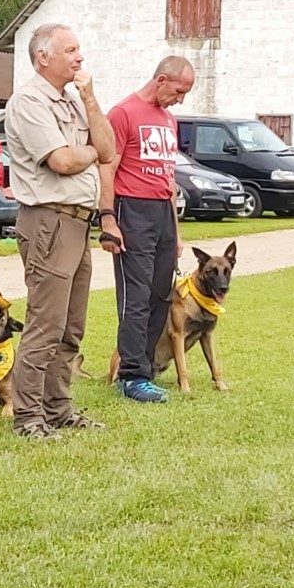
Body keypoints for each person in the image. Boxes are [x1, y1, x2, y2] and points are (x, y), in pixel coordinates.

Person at [4, 24, 115, 441]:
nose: (79, 57)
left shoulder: (72, 99)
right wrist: (88, 153)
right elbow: (64, 161)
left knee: (72, 325)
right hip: (47, 220)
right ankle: (28, 417)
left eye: (79, 49)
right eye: (71, 50)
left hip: (76, 222)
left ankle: (59, 407)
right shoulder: (29, 101)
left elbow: (108, 149)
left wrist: (89, 97)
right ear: (43, 57)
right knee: (45, 323)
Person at [98, 56, 195, 403]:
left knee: (160, 295)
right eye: (180, 91)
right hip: (132, 209)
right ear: (162, 79)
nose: (181, 99)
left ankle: (147, 368)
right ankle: (131, 376)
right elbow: (108, 167)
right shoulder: (123, 113)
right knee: (135, 298)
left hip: (162, 214)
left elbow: (168, 179)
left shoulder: (169, 119)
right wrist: (108, 218)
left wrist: (176, 231)